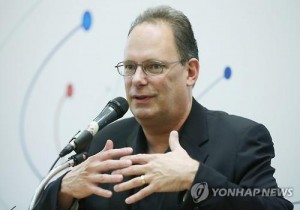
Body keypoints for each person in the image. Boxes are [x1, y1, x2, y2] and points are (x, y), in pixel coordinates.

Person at [35, 5, 293, 210]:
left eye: (154, 66)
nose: (137, 79)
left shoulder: (241, 140)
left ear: (190, 72)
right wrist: (63, 192)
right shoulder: (106, 142)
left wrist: (196, 177)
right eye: (130, 67)